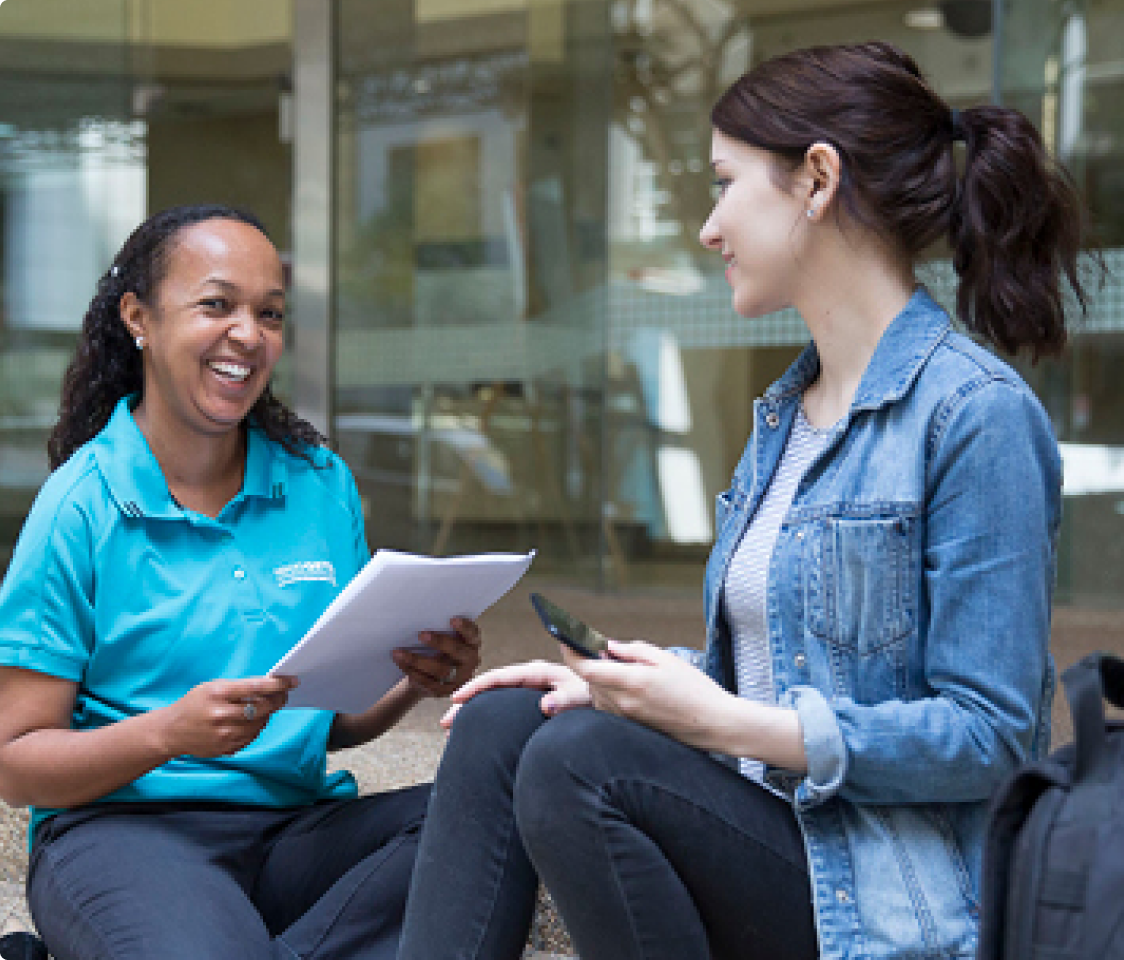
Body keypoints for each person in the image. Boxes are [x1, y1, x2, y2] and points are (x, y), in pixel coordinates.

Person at [397, 41, 1099, 960]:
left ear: (816, 181)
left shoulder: (976, 416)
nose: (708, 228)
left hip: (883, 887)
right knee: (508, 721)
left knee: (582, 764)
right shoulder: (785, 415)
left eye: (726, 184)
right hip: (769, 824)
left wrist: (713, 719)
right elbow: (792, 668)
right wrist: (626, 682)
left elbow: (989, 736)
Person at [0, 203, 482, 960]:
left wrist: (411, 682)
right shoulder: (80, 505)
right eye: (217, 305)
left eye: (270, 313)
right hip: (125, 834)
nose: (248, 335)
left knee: (493, 820)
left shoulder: (319, 485)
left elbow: (328, 719)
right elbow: (18, 761)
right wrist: (167, 733)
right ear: (140, 319)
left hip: (297, 828)